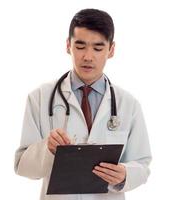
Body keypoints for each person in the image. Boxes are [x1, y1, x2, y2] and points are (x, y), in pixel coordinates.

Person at [14, 8, 152, 200]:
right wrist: (47, 149)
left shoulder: (128, 104)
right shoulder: (39, 98)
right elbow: (23, 168)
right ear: (68, 45)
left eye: (97, 48)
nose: (88, 57)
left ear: (111, 50)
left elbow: (143, 164)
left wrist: (125, 174)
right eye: (80, 46)